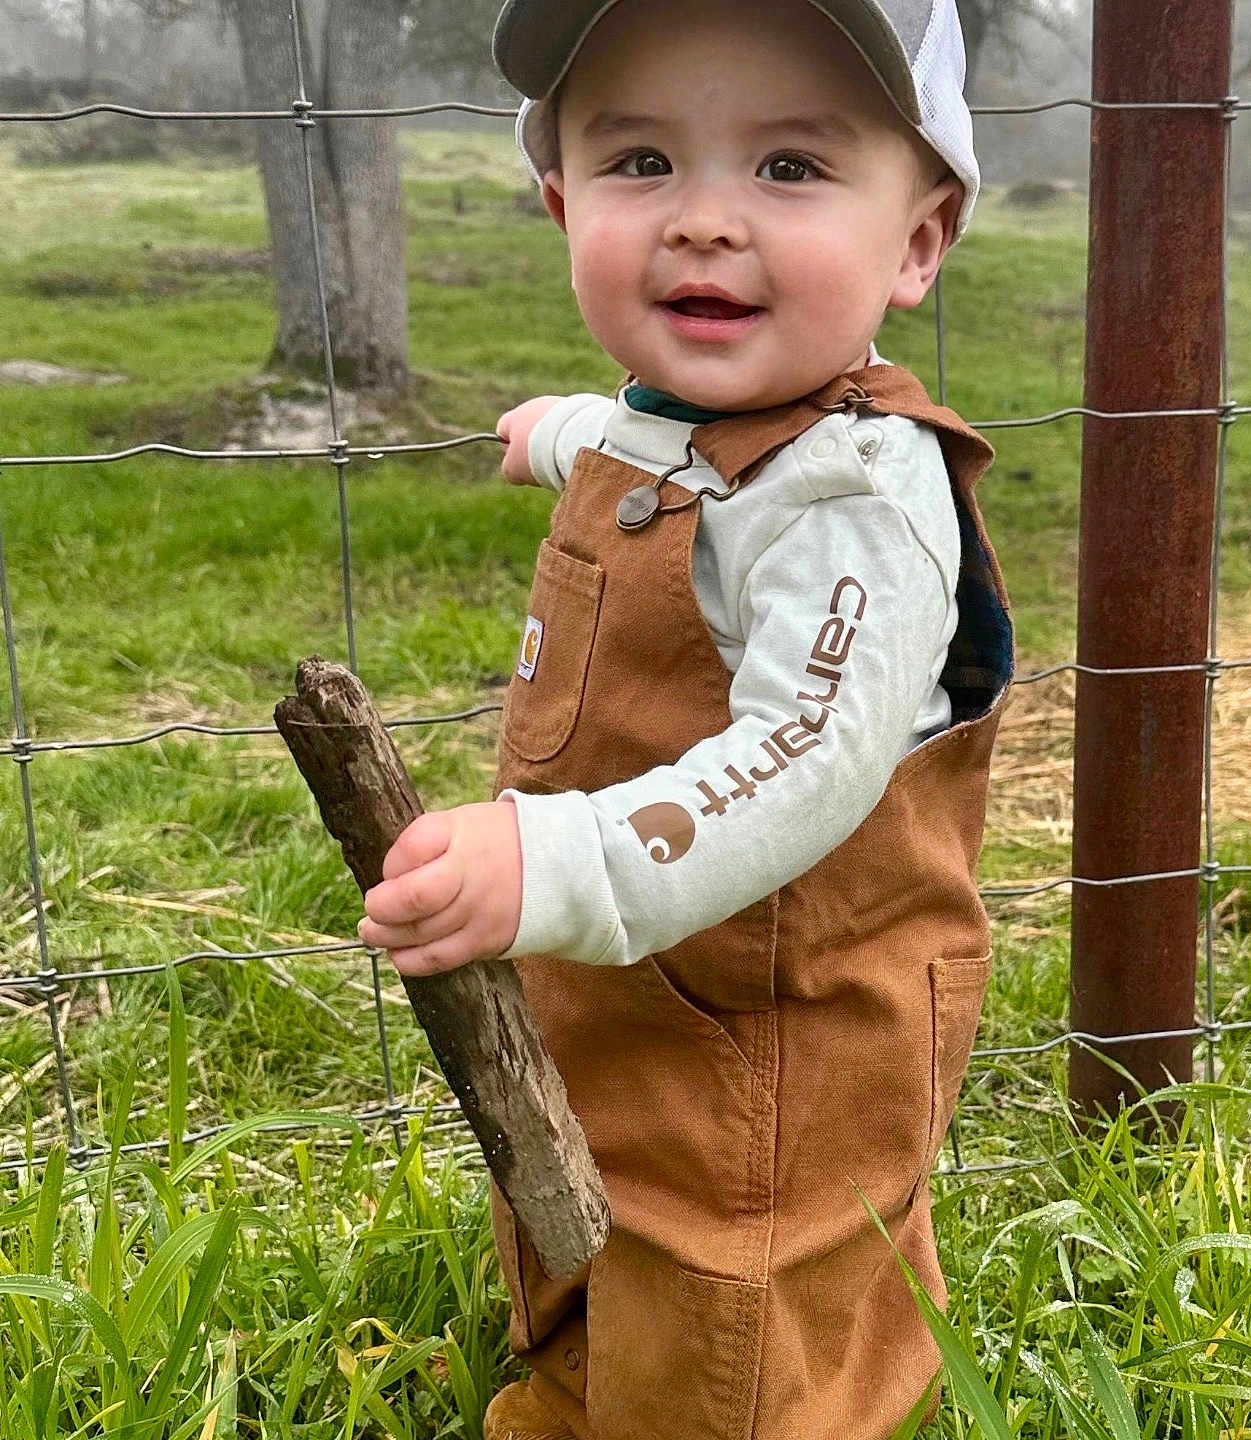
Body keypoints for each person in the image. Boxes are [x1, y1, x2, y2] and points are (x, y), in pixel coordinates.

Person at [358, 0, 1013, 1435]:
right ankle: (599, 1382)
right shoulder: (667, 418)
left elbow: (811, 756)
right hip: (636, 971)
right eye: (641, 160)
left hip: (784, 1010)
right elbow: (649, 445)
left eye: (789, 168)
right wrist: (556, 434)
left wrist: (564, 864)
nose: (704, 222)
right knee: (598, 1187)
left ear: (916, 240)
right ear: (559, 201)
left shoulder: (856, 496)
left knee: (740, 1255)